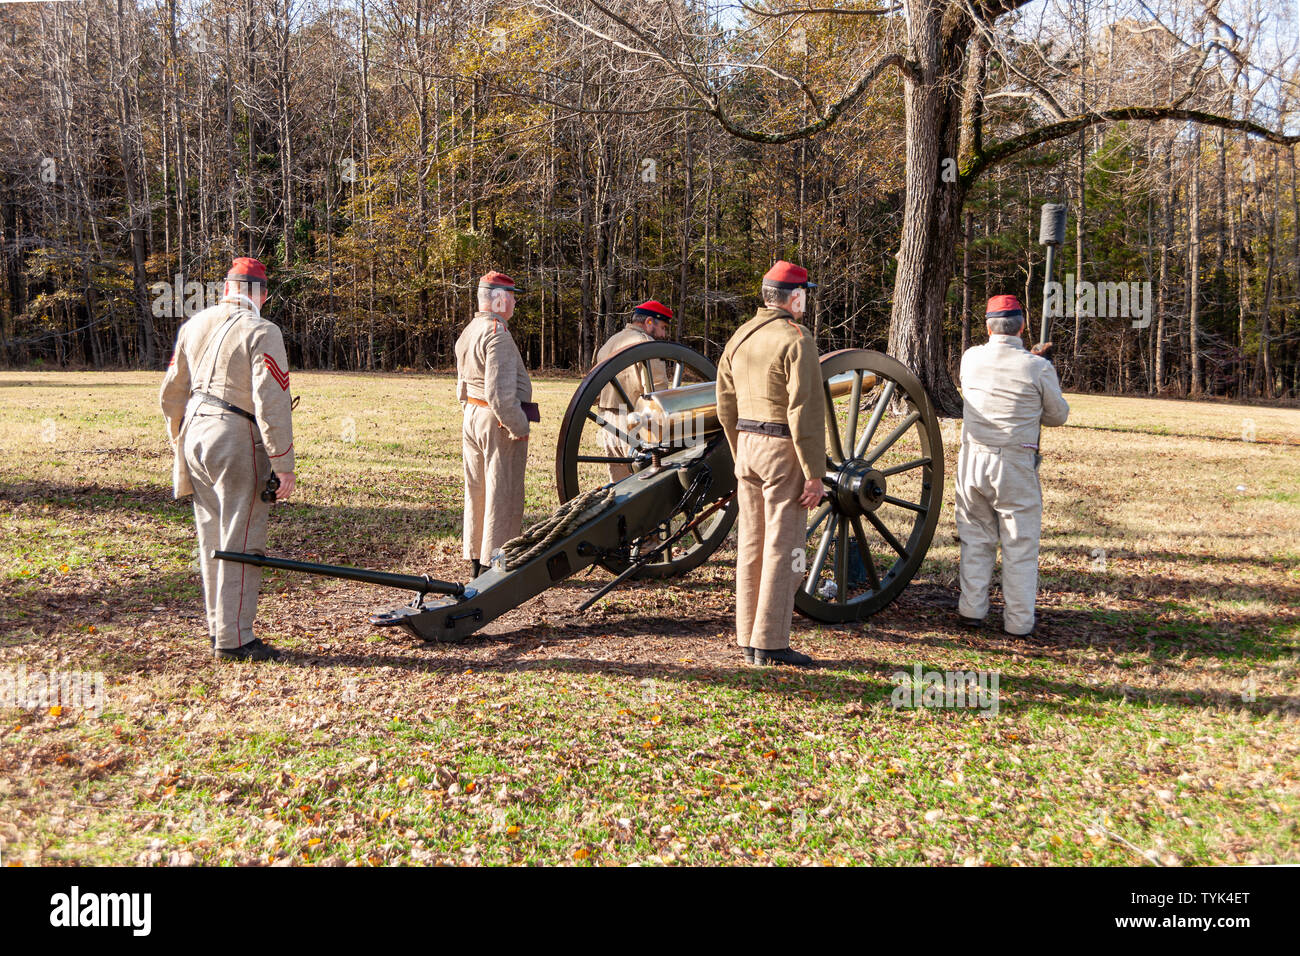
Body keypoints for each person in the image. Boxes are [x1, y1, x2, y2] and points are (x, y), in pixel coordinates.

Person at [159, 257, 295, 661]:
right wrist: (283, 462)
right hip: (235, 433)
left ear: (225, 289)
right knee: (241, 538)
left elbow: (171, 392)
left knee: (211, 536)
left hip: (194, 431)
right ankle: (236, 640)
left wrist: (178, 438)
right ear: (263, 295)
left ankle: (219, 627)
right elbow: (272, 401)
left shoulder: (194, 324)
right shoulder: (263, 329)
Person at [716, 261, 825, 667]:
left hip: (746, 446)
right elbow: (805, 412)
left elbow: (724, 403)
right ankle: (772, 641)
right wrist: (814, 473)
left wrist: (738, 447)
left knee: (751, 543)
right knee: (787, 546)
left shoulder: (740, 337)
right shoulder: (797, 338)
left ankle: (748, 635)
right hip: (783, 450)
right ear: (795, 298)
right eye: (804, 295)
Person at [955, 294, 1070, 637]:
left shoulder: (971, 357)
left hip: (973, 459)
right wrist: (1045, 366)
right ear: (1022, 326)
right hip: (1015, 461)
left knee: (975, 538)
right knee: (1019, 545)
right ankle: (1018, 622)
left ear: (987, 326)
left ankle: (971, 610)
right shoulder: (1037, 367)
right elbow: (1057, 416)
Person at [455, 271, 534, 579]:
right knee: (502, 494)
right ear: (499, 299)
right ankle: (494, 567)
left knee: (477, 491)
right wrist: (519, 425)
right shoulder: (497, 333)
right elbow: (500, 395)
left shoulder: (471, 329)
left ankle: (476, 560)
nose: (514, 302)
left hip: (472, 416)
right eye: (512, 296)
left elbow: (462, 384)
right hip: (496, 420)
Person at [592, 300, 672, 482]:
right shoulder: (645, 344)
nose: (664, 334)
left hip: (607, 420)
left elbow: (595, 388)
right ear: (649, 322)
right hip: (633, 420)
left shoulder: (610, 342)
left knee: (620, 485)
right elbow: (657, 393)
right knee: (646, 483)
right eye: (663, 327)